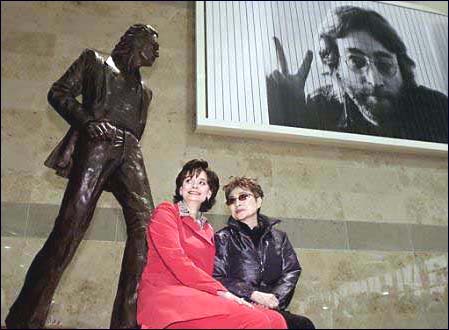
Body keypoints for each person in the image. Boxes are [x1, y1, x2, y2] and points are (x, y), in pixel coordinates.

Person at [5, 24, 159, 329]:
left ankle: (126, 323)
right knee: (69, 229)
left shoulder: (145, 91)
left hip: (130, 151)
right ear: (137, 42)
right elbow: (58, 92)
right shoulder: (94, 62)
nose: (157, 52)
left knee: (147, 230)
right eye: (153, 45)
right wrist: (87, 121)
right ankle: (25, 318)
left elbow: (136, 129)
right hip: (97, 143)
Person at [137, 159, 287, 329]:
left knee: (276, 320)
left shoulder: (207, 229)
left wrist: (233, 295)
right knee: (255, 320)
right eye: (188, 181)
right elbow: (177, 261)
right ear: (181, 189)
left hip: (197, 296)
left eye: (201, 183)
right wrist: (222, 293)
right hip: (167, 297)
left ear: (209, 193)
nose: (194, 186)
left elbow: (208, 272)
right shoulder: (166, 213)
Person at [267, 5, 448, 144]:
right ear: (335, 67)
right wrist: (287, 111)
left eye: (385, 65)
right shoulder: (320, 108)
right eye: (356, 62)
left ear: (402, 68)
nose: (375, 81)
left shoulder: (439, 110)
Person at [214, 177, 315, 329]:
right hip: (239, 307)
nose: (237, 203)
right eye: (231, 200)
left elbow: (291, 271)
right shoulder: (222, 238)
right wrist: (252, 294)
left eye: (243, 197)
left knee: (303, 324)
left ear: (258, 201)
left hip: (273, 308)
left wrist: (274, 300)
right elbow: (217, 277)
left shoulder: (279, 238)